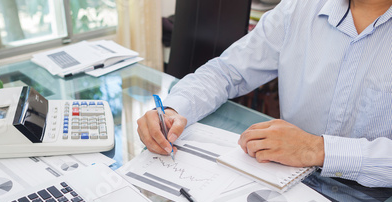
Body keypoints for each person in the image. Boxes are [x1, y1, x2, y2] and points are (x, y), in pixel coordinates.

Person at [137, 0, 392, 188]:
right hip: (286, 185)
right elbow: (226, 71)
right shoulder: (298, 9)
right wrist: (173, 110)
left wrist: (319, 149)